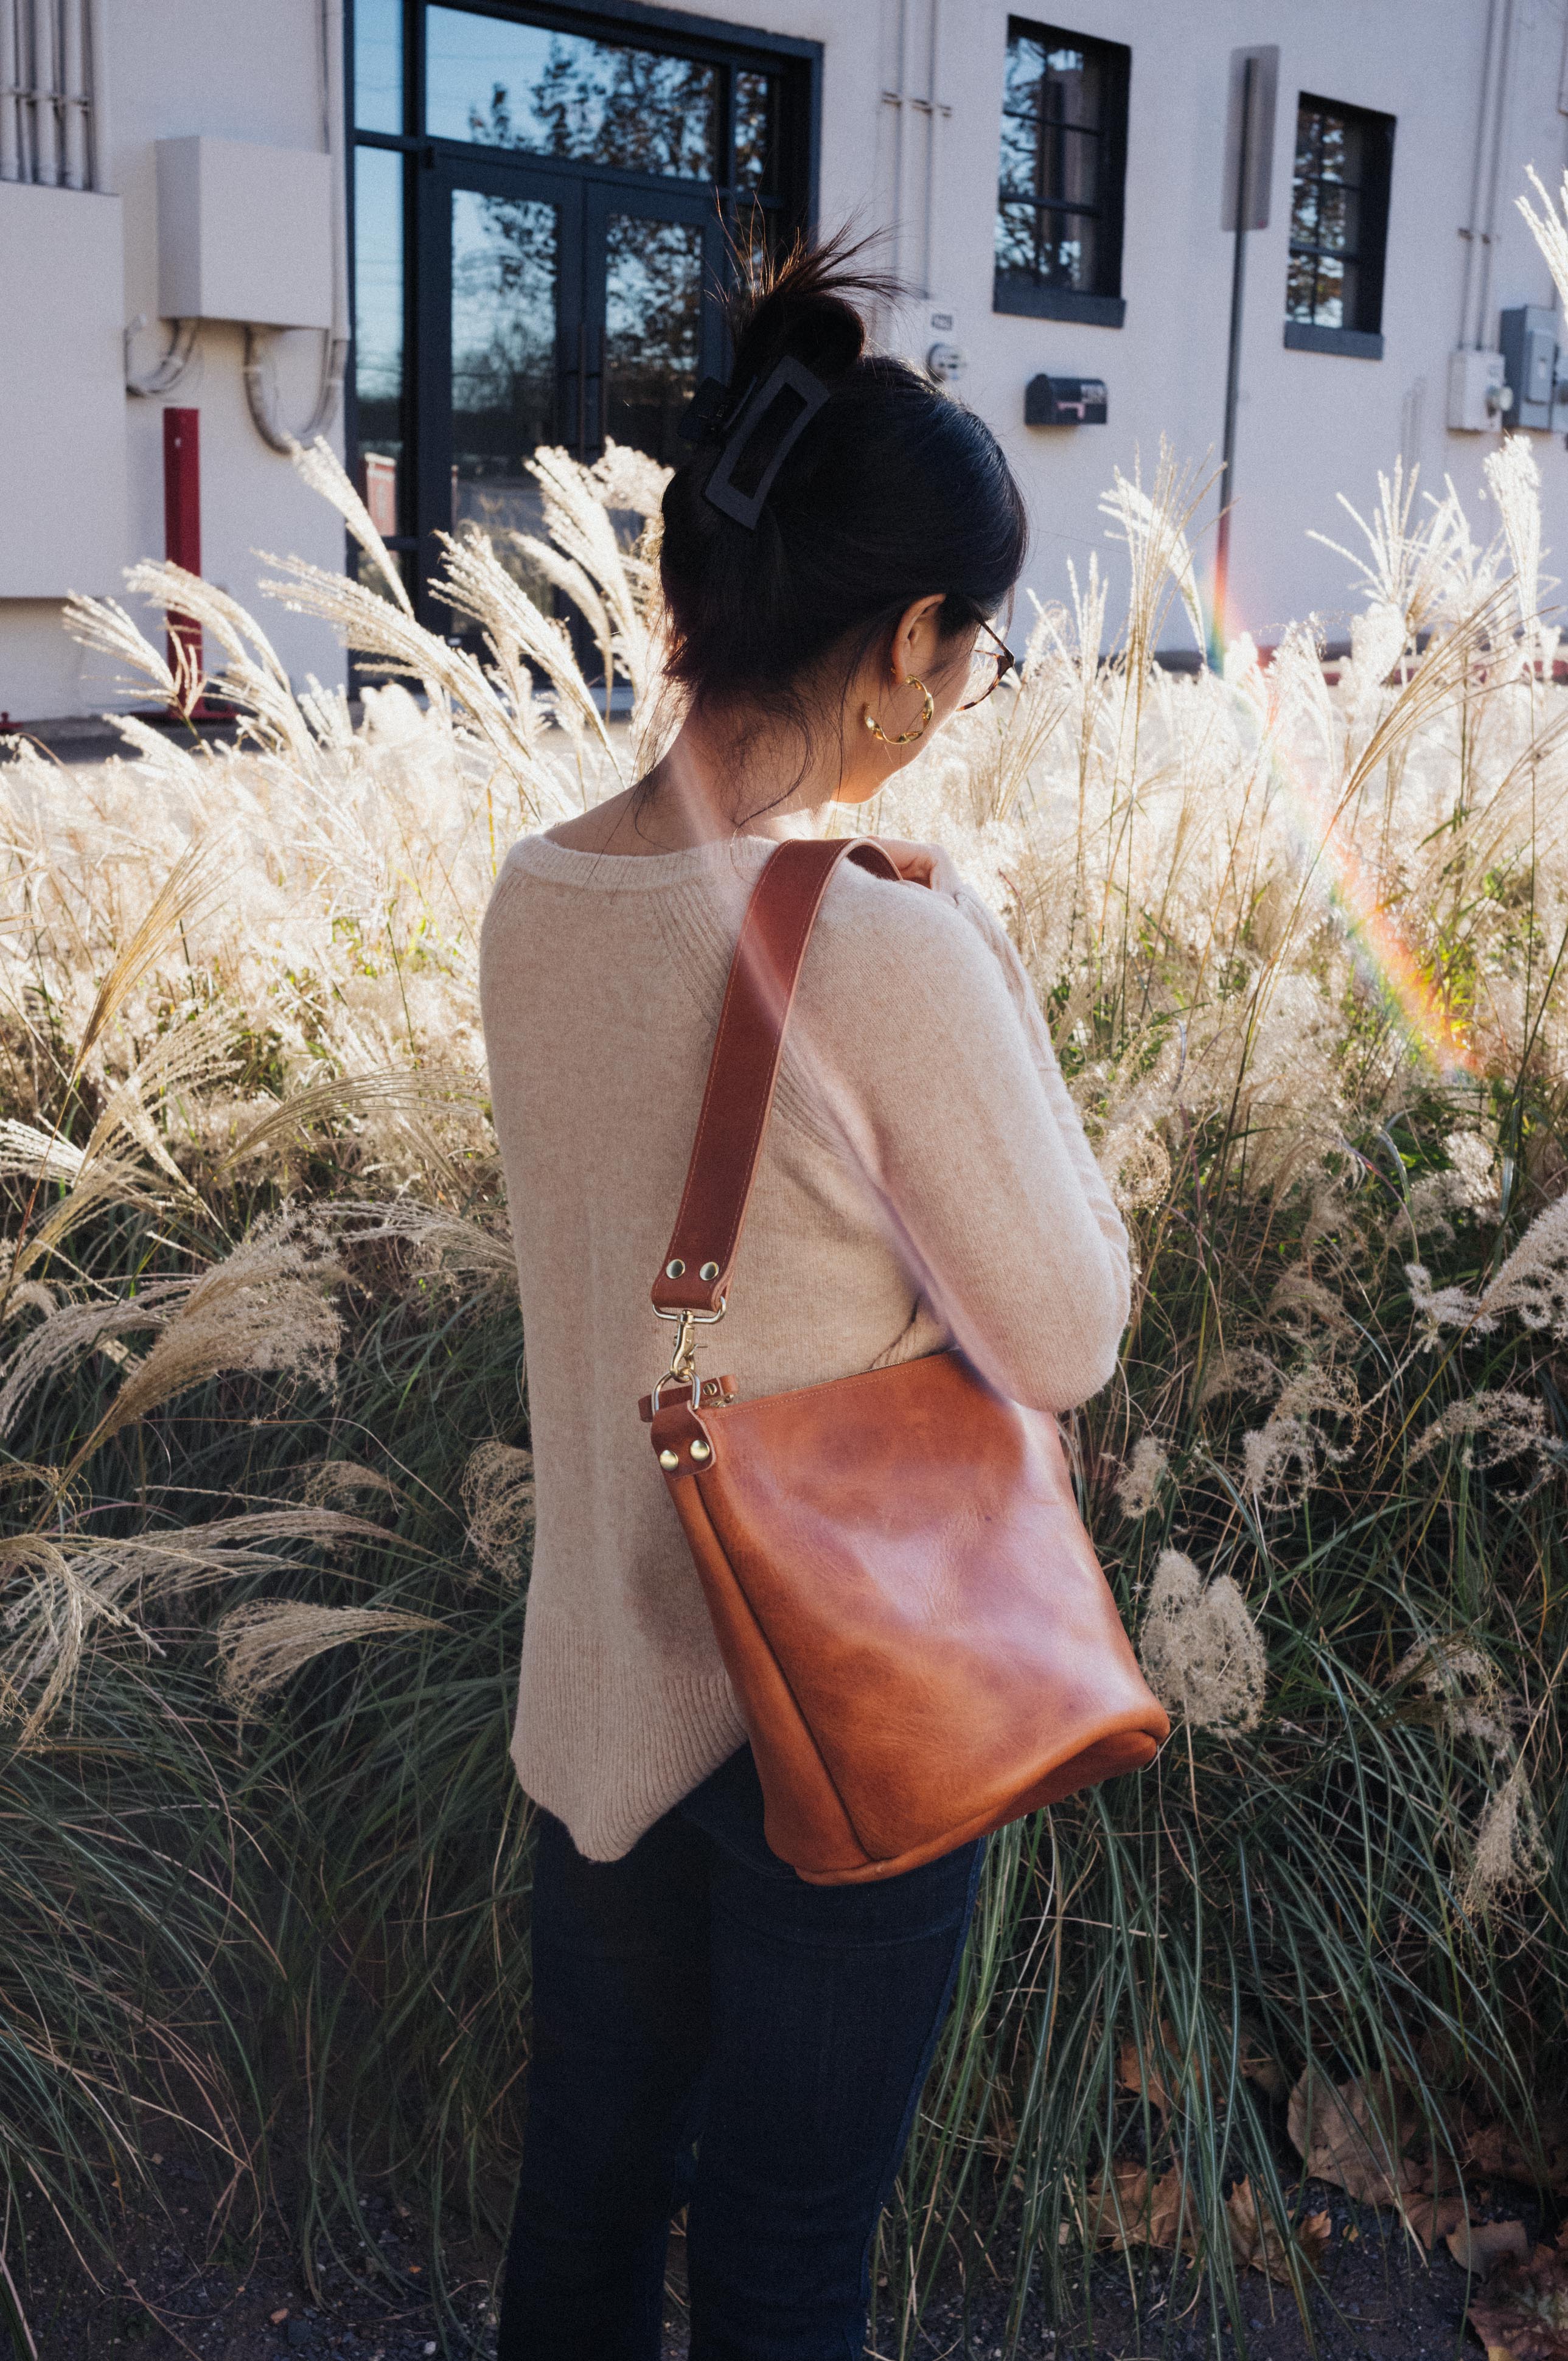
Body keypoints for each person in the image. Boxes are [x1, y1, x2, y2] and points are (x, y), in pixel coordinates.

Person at [479, 234, 1131, 2361]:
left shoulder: (534, 897)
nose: (957, 695)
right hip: (830, 1697)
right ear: (908, 638)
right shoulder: (885, 944)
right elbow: (1061, 1335)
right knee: (780, 2257)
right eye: (971, 652)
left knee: (586, 2198)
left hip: (605, 1687)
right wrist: (970, 946)